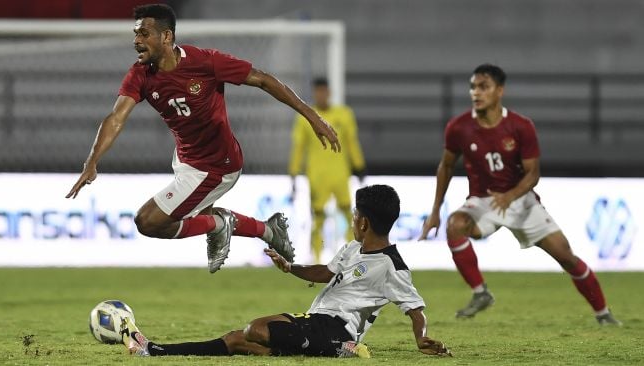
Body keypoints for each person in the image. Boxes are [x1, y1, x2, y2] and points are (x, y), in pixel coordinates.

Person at [65, 4, 341, 272]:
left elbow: (264, 79)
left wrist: (312, 116)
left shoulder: (205, 62)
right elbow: (116, 118)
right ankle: (268, 230)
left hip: (216, 166)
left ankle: (223, 225)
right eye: (135, 34)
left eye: (144, 34)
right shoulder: (140, 74)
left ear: (167, 36)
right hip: (186, 158)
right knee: (198, 215)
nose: (136, 41)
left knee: (148, 222)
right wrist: (92, 162)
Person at [120, 185, 452, 358]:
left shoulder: (392, 266)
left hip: (338, 329)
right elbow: (324, 272)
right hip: (316, 323)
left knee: (257, 328)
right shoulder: (353, 249)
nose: (352, 220)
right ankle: (152, 350)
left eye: (354, 216)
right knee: (238, 339)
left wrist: (421, 338)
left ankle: (340, 350)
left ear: (363, 222)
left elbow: (415, 308)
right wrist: (290, 268)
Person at [419, 64, 621, 325]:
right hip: (483, 201)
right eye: (473, 87)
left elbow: (533, 174)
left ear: (499, 91)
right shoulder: (459, 127)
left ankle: (603, 313)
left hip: (522, 202)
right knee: (455, 225)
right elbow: (445, 165)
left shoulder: (520, 126)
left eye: (483, 87)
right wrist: (436, 210)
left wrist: (510, 196)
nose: (476, 93)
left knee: (566, 257)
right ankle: (481, 293)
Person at [288, 77, 365, 263]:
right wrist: (293, 171)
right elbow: (298, 147)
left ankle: (351, 257)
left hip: (340, 174)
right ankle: (316, 259)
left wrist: (359, 165)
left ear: (329, 92)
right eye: (318, 92)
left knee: (350, 216)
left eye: (324, 91)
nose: (321, 95)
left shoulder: (344, 114)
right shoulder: (305, 117)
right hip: (317, 175)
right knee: (318, 218)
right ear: (315, 93)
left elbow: (352, 142)